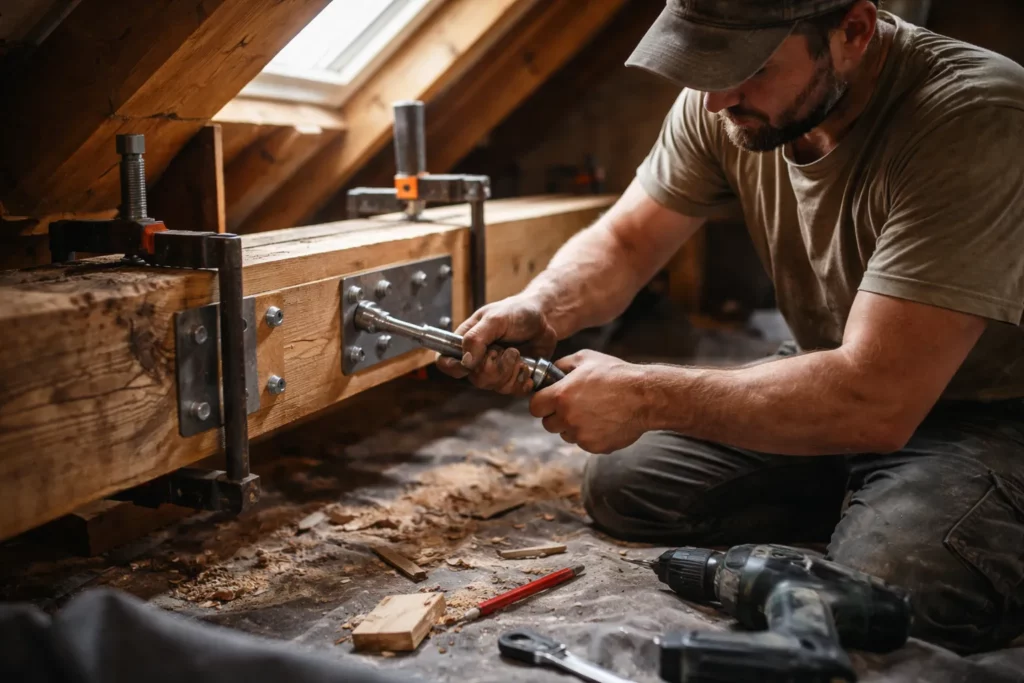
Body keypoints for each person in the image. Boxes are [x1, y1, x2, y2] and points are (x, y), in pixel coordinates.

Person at [436, 0, 1024, 655]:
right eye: (703, 67)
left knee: (888, 594)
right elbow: (628, 242)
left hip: (980, 410)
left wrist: (648, 395)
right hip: (832, 371)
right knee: (626, 483)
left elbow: (878, 394)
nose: (716, 100)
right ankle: (872, 495)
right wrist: (542, 306)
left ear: (853, 32)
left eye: (750, 69)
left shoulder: (975, 115)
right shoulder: (726, 102)